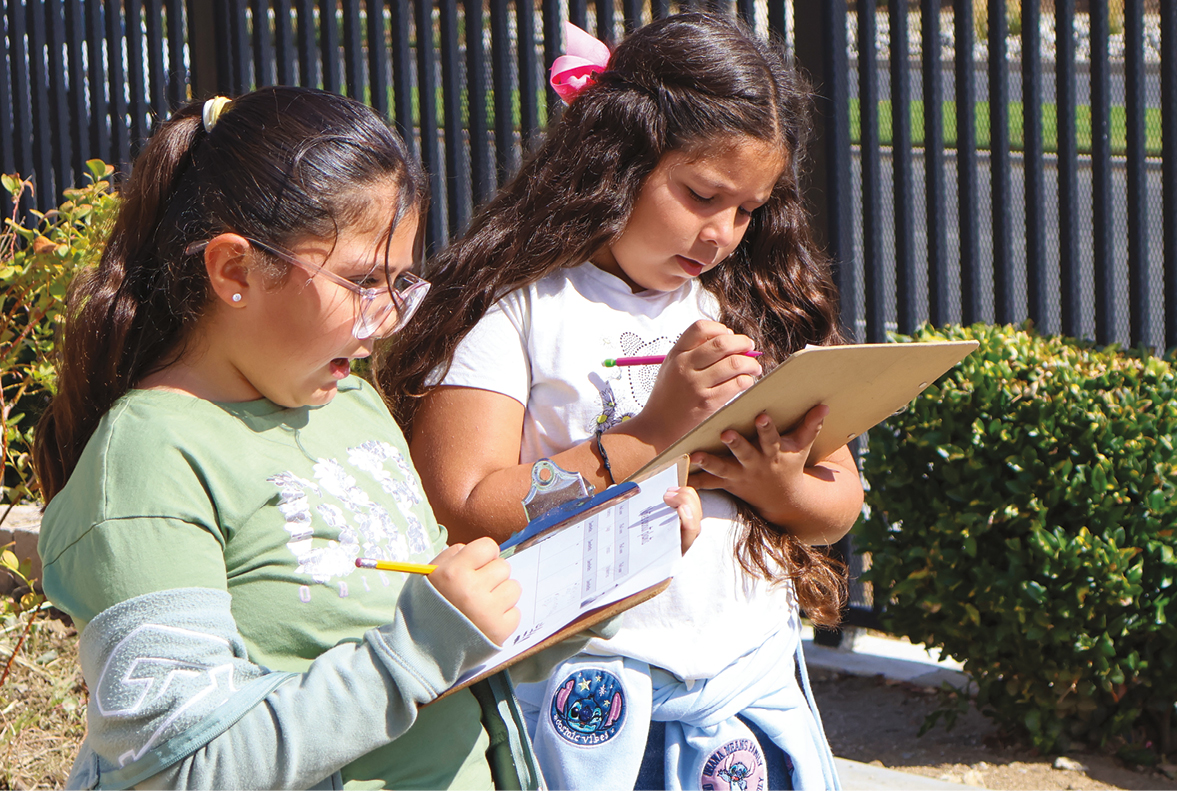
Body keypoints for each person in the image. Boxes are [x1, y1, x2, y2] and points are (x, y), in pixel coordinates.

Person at [33, 86, 700, 790]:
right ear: (234, 270)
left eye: (399, 282)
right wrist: (417, 645)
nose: (385, 320)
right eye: (359, 281)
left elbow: (446, 651)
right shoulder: (149, 458)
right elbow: (178, 765)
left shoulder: (349, 403)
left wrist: (606, 569)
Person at [376, 14, 864, 790]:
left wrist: (774, 484)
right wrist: (650, 436)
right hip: (588, 700)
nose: (722, 234)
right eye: (701, 194)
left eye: (747, 209)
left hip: (748, 693)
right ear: (617, 159)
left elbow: (838, 500)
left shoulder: (752, 303)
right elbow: (462, 502)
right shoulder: (514, 309)